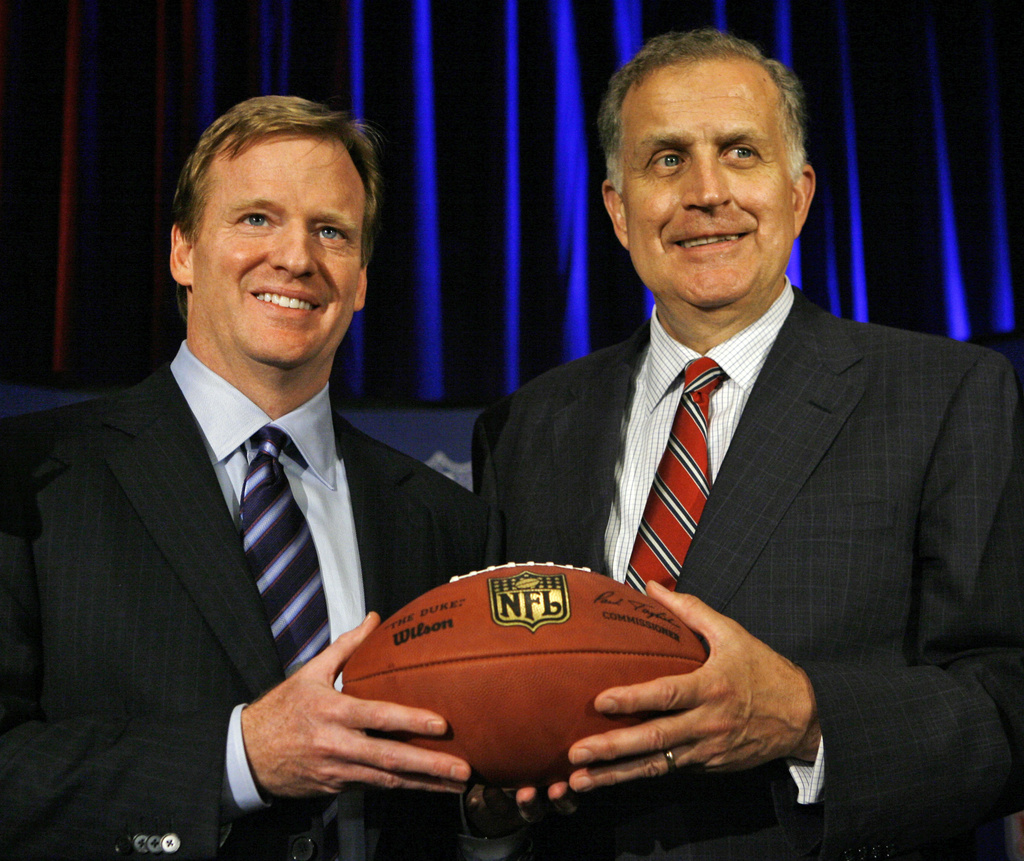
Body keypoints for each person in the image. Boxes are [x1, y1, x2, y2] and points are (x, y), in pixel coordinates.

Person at [473, 29, 1024, 860]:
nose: (706, 192)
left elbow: (1008, 699)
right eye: (667, 159)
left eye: (740, 152)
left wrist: (805, 717)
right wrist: (488, 799)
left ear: (798, 194)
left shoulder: (947, 395)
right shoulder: (524, 425)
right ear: (618, 209)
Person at [0, 96, 501, 860]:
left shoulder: (447, 521)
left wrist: (490, 822)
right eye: (257, 218)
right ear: (183, 251)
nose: (295, 258)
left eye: (330, 231)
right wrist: (240, 758)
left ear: (361, 280)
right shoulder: (29, 480)